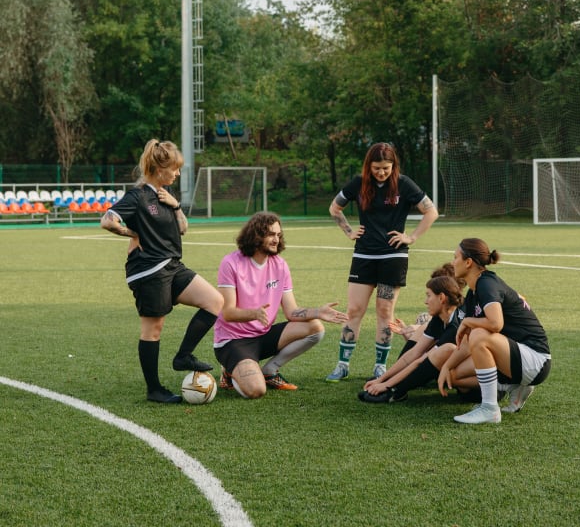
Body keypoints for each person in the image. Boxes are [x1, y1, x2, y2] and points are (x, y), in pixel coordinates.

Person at [101, 139, 224, 404]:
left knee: (214, 301)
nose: (177, 173)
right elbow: (107, 220)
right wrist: (131, 231)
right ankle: (154, 389)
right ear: (159, 169)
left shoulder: (166, 196)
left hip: (172, 265)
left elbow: (183, 229)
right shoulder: (137, 196)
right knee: (153, 329)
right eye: (174, 168)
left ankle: (183, 356)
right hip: (148, 271)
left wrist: (176, 204)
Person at [326, 142, 439, 382]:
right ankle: (342, 365)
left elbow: (431, 212)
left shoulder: (404, 184)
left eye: (386, 168)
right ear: (369, 166)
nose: (381, 172)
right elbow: (335, 208)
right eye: (377, 168)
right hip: (364, 255)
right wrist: (348, 231)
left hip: (393, 257)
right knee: (354, 309)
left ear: (393, 166)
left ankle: (380, 365)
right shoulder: (358, 183)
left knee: (384, 311)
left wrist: (412, 237)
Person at [215, 212, 349, 399]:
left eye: (278, 235)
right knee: (256, 391)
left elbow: (292, 312)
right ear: (256, 235)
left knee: (315, 327)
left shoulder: (280, 265)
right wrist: (254, 313)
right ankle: (230, 370)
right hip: (234, 341)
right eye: (271, 234)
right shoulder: (231, 263)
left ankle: (270, 370)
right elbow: (227, 313)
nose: (276, 239)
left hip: (263, 336)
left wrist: (318, 312)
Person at [438, 238, 551, 424]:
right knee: (454, 375)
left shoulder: (486, 283)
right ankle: (515, 386)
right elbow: (467, 344)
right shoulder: (474, 291)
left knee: (479, 334)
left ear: (468, 262)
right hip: (516, 357)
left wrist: (468, 321)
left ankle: (489, 408)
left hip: (535, 359)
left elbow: (495, 324)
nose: (452, 262)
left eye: (455, 257)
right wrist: (447, 366)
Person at [357, 268, 480, 404]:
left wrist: (388, 386)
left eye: (428, 295)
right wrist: (382, 379)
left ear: (441, 298)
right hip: (455, 376)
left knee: (446, 350)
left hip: (476, 391)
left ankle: (396, 392)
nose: (425, 301)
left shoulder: (455, 327)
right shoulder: (440, 317)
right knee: (423, 331)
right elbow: (414, 353)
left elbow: (421, 361)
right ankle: (394, 384)